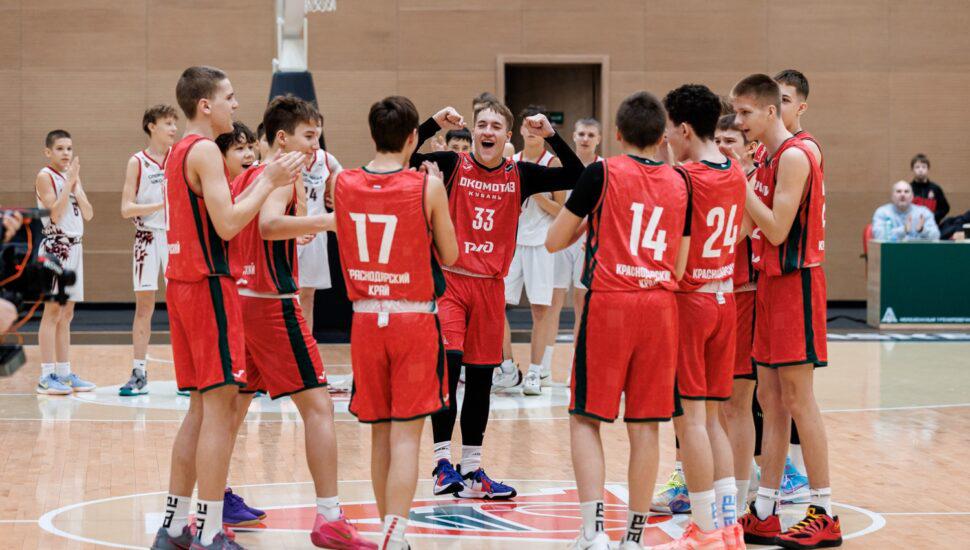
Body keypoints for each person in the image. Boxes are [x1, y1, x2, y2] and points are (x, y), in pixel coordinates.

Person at [150, 66, 304, 550]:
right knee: (218, 412)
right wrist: (268, 179)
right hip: (208, 286)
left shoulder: (178, 151)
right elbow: (229, 223)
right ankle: (209, 529)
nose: (236, 105)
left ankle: (174, 527)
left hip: (181, 287)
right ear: (205, 105)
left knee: (199, 411)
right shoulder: (202, 151)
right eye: (229, 97)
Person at [408, 100, 584, 500]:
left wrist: (551, 135)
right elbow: (403, 155)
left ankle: (472, 470)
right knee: (449, 370)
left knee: (481, 381)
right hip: (452, 282)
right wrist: (433, 123)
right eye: (482, 125)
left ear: (507, 137)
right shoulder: (452, 165)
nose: (487, 131)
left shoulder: (520, 173)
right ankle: (441, 464)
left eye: (495, 126)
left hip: (490, 286)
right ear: (473, 132)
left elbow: (577, 174)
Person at [230, 94, 375, 548]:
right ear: (282, 138)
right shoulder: (283, 174)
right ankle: (330, 518)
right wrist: (327, 221)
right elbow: (269, 225)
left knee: (232, 409)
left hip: (242, 299)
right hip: (271, 304)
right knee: (318, 407)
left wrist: (302, 226)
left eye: (318, 137)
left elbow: (255, 228)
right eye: (309, 136)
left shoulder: (248, 174)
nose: (315, 146)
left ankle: (214, 501)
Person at [547, 91, 688, 550]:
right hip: (661, 307)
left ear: (618, 134)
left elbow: (554, 241)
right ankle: (634, 536)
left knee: (585, 418)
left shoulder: (601, 172)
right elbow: (680, 265)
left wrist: (590, 222)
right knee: (645, 427)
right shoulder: (681, 182)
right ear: (662, 136)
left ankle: (594, 532)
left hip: (611, 303)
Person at [333, 95, 458, 550]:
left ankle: (389, 535)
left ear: (372, 134)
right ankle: (395, 536)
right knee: (407, 438)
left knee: (380, 437)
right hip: (413, 320)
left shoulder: (342, 182)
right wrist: (436, 191)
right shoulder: (427, 187)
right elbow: (451, 255)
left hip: (365, 321)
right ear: (412, 138)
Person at [732, 73, 842, 549]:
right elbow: (748, 227)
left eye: (744, 113)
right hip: (769, 284)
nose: (738, 121)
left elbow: (776, 229)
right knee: (770, 400)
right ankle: (764, 510)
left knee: (799, 400)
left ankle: (824, 512)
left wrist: (740, 185)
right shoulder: (766, 157)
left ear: (771, 111)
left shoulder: (796, 154)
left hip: (797, 283)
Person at [653, 85, 748, 549]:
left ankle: (705, 529)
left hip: (690, 303)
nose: (667, 137)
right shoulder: (735, 169)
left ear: (685, 129)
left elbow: (673, 254)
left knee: (690, 422)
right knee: (713, 420)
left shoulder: (683, 178)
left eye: (670, 129)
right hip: (724, 300)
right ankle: (728, 529)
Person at [495, 105, 566, 396]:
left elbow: (561, 209)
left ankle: (536, 372)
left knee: (540, 310)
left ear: (544, 131)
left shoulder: (553, 163)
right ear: (522, 130)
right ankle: (508, 367)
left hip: (541, 244)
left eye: (538, 126)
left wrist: (536, 194)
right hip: (512, 243)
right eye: (528, 125)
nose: (533, 131)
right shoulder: (512, 161)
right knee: (496, 305)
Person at [714, 114, 764, 509]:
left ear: (749, 147)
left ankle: (743, 486)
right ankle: (723, 477)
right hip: (710, 294)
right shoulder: (712, 176)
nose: (722, 147)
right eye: (717, 140)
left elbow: (740, 233)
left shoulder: (754, 182)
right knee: (711, 401)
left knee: (738, 401)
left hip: (744, 294)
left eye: (730, 140)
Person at [119, 105, 178, 396]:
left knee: (180, 307)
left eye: (175, 123)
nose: (174, 128)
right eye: (168, 123)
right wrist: (159, 206)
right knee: (144, 307)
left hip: (175, 238)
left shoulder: (179, 157)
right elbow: (126, 208)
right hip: (146, 239)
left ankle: (188, 374)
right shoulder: (137, 162)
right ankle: (139, 372)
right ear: (151, 126)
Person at [34, 130, 96, 395]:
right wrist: (69, 183)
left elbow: (89, 214)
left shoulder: (72, 177)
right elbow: (55, 215)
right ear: (48, 152)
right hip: (55, 247)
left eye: (69, 148)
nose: (66, 153)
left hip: (76, 247)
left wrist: (76, 186)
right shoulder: (45, 176)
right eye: (60, 148)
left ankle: (63, 372)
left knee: (67, 314)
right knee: (52, 312)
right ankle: (46, 375)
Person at [555, 118, 603, 344]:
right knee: (552, 302)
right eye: (581, 134)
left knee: (581, 304)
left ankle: (576, 361)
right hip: (560, 239)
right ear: (573, 136)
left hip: (586, 242)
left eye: (591, 135)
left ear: (598, 140)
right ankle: (543, 362)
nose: (585, 139)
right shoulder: (560, 165)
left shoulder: (603, 168)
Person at [297, 113, 342, 335]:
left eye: (319, 126)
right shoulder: (288, 158)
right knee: (289, 293)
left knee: (308, 294)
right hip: (289, 229)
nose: (316, 131)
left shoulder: (326, 159)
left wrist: (335, 195)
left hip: (316, 232)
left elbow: (345, 182)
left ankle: (306, 342)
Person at [872, 181, 940, 242]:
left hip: (918, 251)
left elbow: (936, 236)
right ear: (892, 196)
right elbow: (879, 237)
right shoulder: (882, 212)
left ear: (912, 196)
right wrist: (903, 230)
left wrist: (922, 230)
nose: (902, 195)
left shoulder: (924, 212)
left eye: (906, 191)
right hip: (891, 251)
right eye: (898, 191)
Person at [909, 153, 949, 223]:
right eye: (917, 167)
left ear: (928, 169)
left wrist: (932, 216)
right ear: (912, 169)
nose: (920, 170)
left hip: (932, 226)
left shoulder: (935, 189)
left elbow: (945, 208)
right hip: (912, 226)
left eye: (924, 167)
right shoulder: (907, 189)